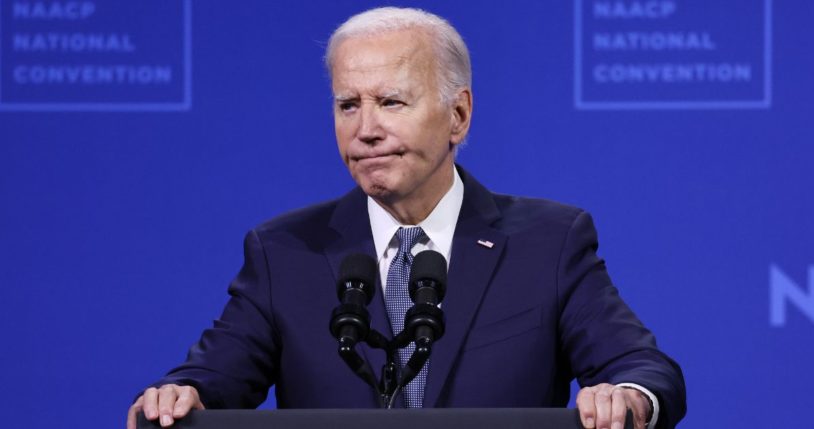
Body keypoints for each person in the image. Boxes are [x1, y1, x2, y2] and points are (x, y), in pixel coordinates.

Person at [127, 7, 685, 429]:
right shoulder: (284, 250)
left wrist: (628, 395)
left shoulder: (548, 242)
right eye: (349, 105)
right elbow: (213, 376)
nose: (365, 128)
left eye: (391, 102)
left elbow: (643, 367)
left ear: (458, 116)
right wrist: (180, 393)